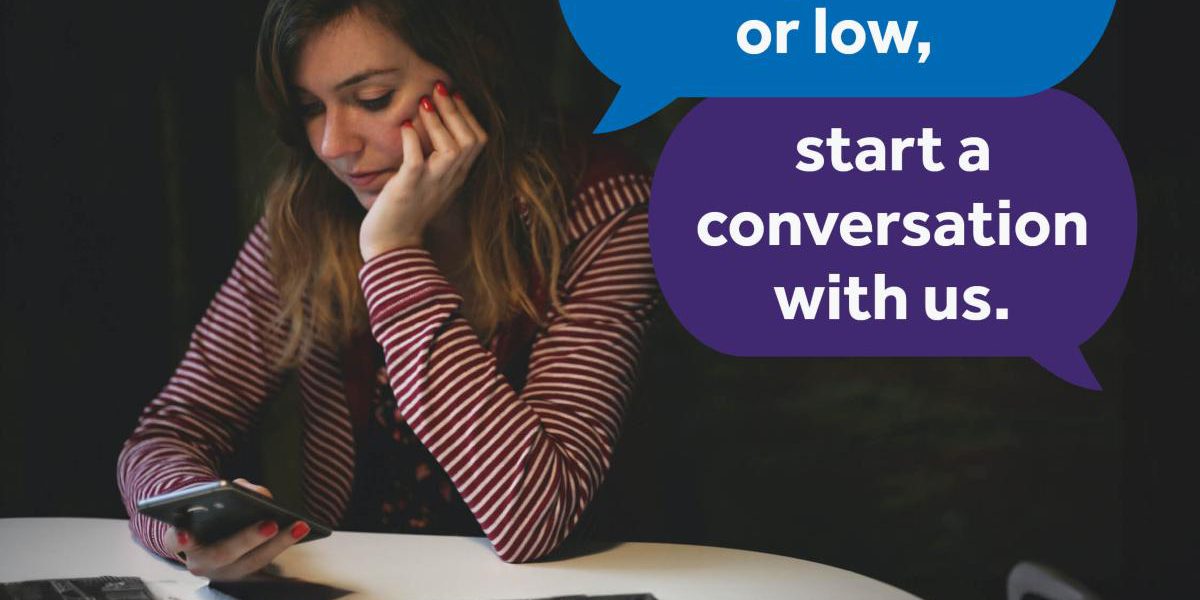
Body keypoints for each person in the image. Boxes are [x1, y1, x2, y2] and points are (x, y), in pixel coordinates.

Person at [117, 0, 659, 580]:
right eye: (309, 107)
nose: (331, 144)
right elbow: (171, 429)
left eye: (371, 99)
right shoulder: (306, 216)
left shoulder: (603, 208)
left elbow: (533, 518)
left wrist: (393, 249)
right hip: (358, 587)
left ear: (472, 65)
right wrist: (188, 526)